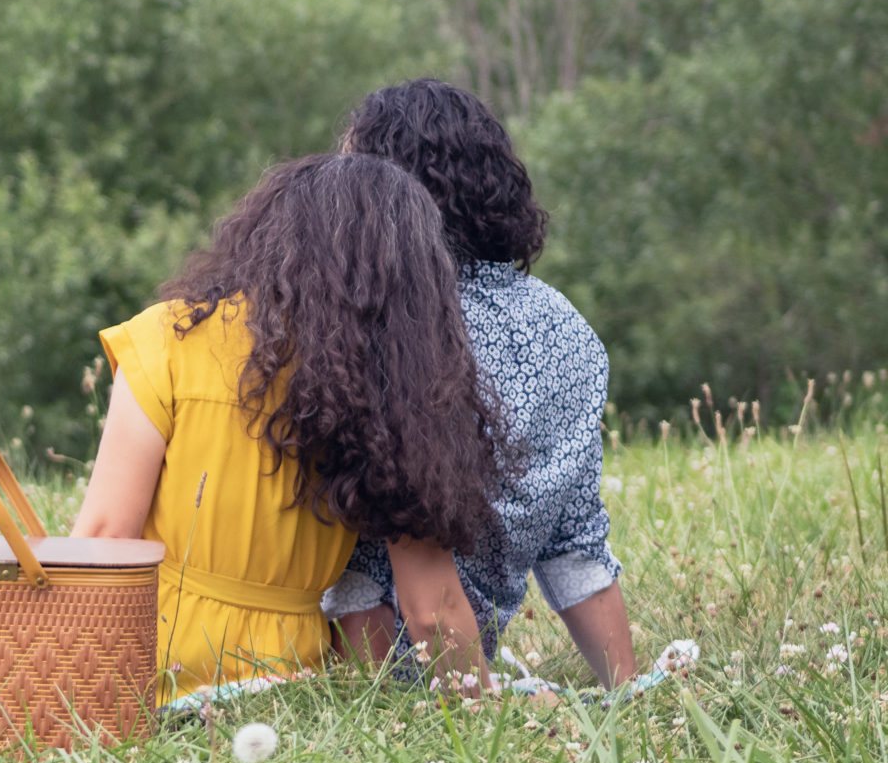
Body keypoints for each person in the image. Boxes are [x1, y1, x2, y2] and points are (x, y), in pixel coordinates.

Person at [71, 152, 507, 699]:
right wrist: (487, 712)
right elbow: (434, 610)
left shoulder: (166, 338)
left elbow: (104, 538)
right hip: (292, 689)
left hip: (153, 673)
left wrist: (74, 692)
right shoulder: (390, 394)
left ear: (271, 237)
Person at [322, 78, 638, 688]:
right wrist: (629, 695)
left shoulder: (378, 325)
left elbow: (359, 579)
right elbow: (576, 547)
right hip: (469, 675)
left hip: (355, 677)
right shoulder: (566, 328)